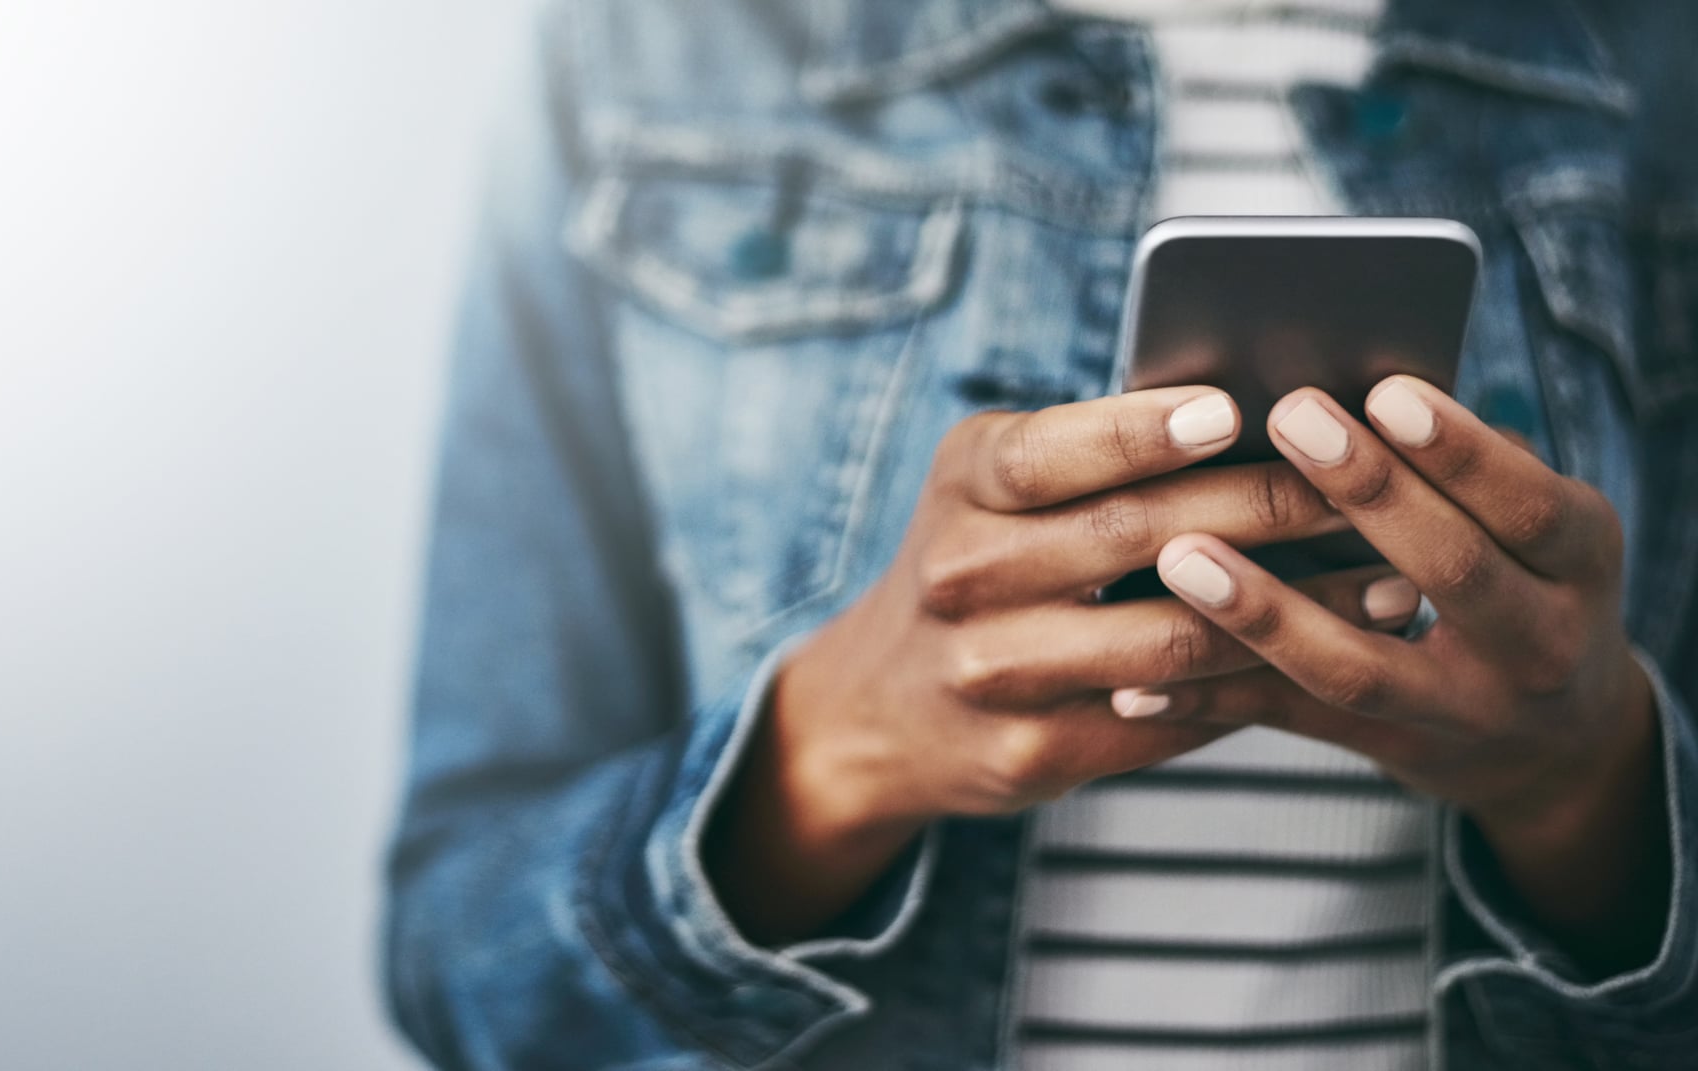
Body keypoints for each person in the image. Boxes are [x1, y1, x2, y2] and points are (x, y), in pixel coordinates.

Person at [383, 1, 1698, 1067]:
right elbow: (460, 968)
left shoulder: (1661, 73)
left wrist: (1590, 792)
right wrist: (830, 754)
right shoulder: (654, 48)